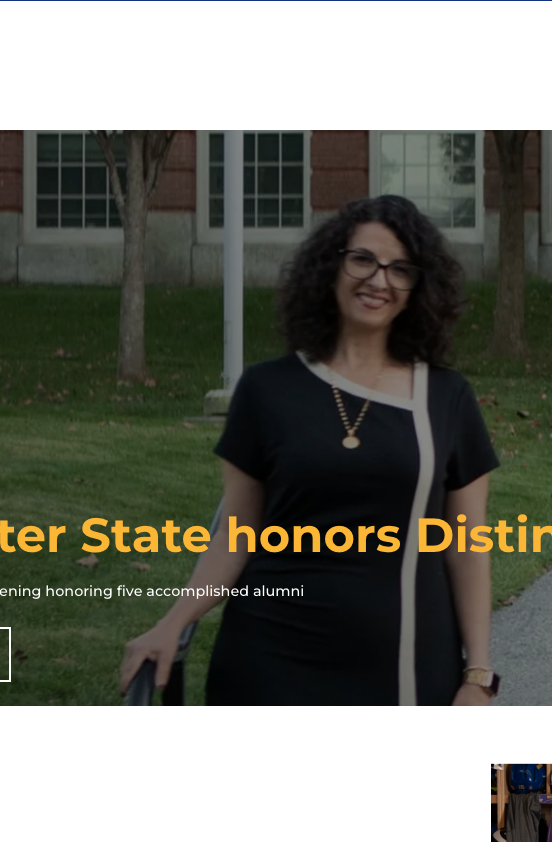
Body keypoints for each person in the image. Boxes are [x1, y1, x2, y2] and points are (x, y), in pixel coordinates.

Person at [119, 195, 498, 705]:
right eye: (363, 259)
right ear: (332, 264)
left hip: (404, 667)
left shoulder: (446, 398)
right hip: (269, 663)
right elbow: (235, 533)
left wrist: (477, 677)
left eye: (400, 269)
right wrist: (173, 622)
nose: (379, 280)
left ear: (417, 288)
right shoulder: (266, 389)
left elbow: (467, 546)